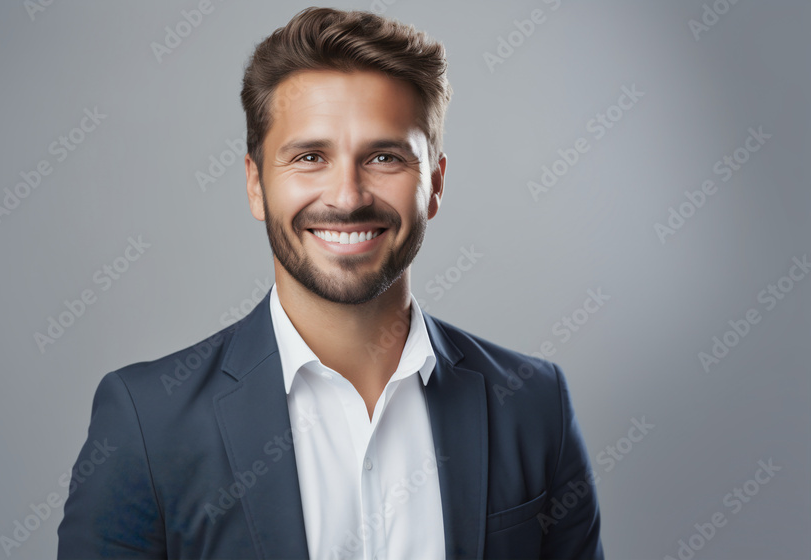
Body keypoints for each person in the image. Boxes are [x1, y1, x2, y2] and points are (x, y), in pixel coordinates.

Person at [57, 6, 604, 559]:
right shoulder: (147, 423)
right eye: (310, 157)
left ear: (434, 184)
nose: (347, 197)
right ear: (255, 184)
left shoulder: (535, 407)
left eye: (385, 156)